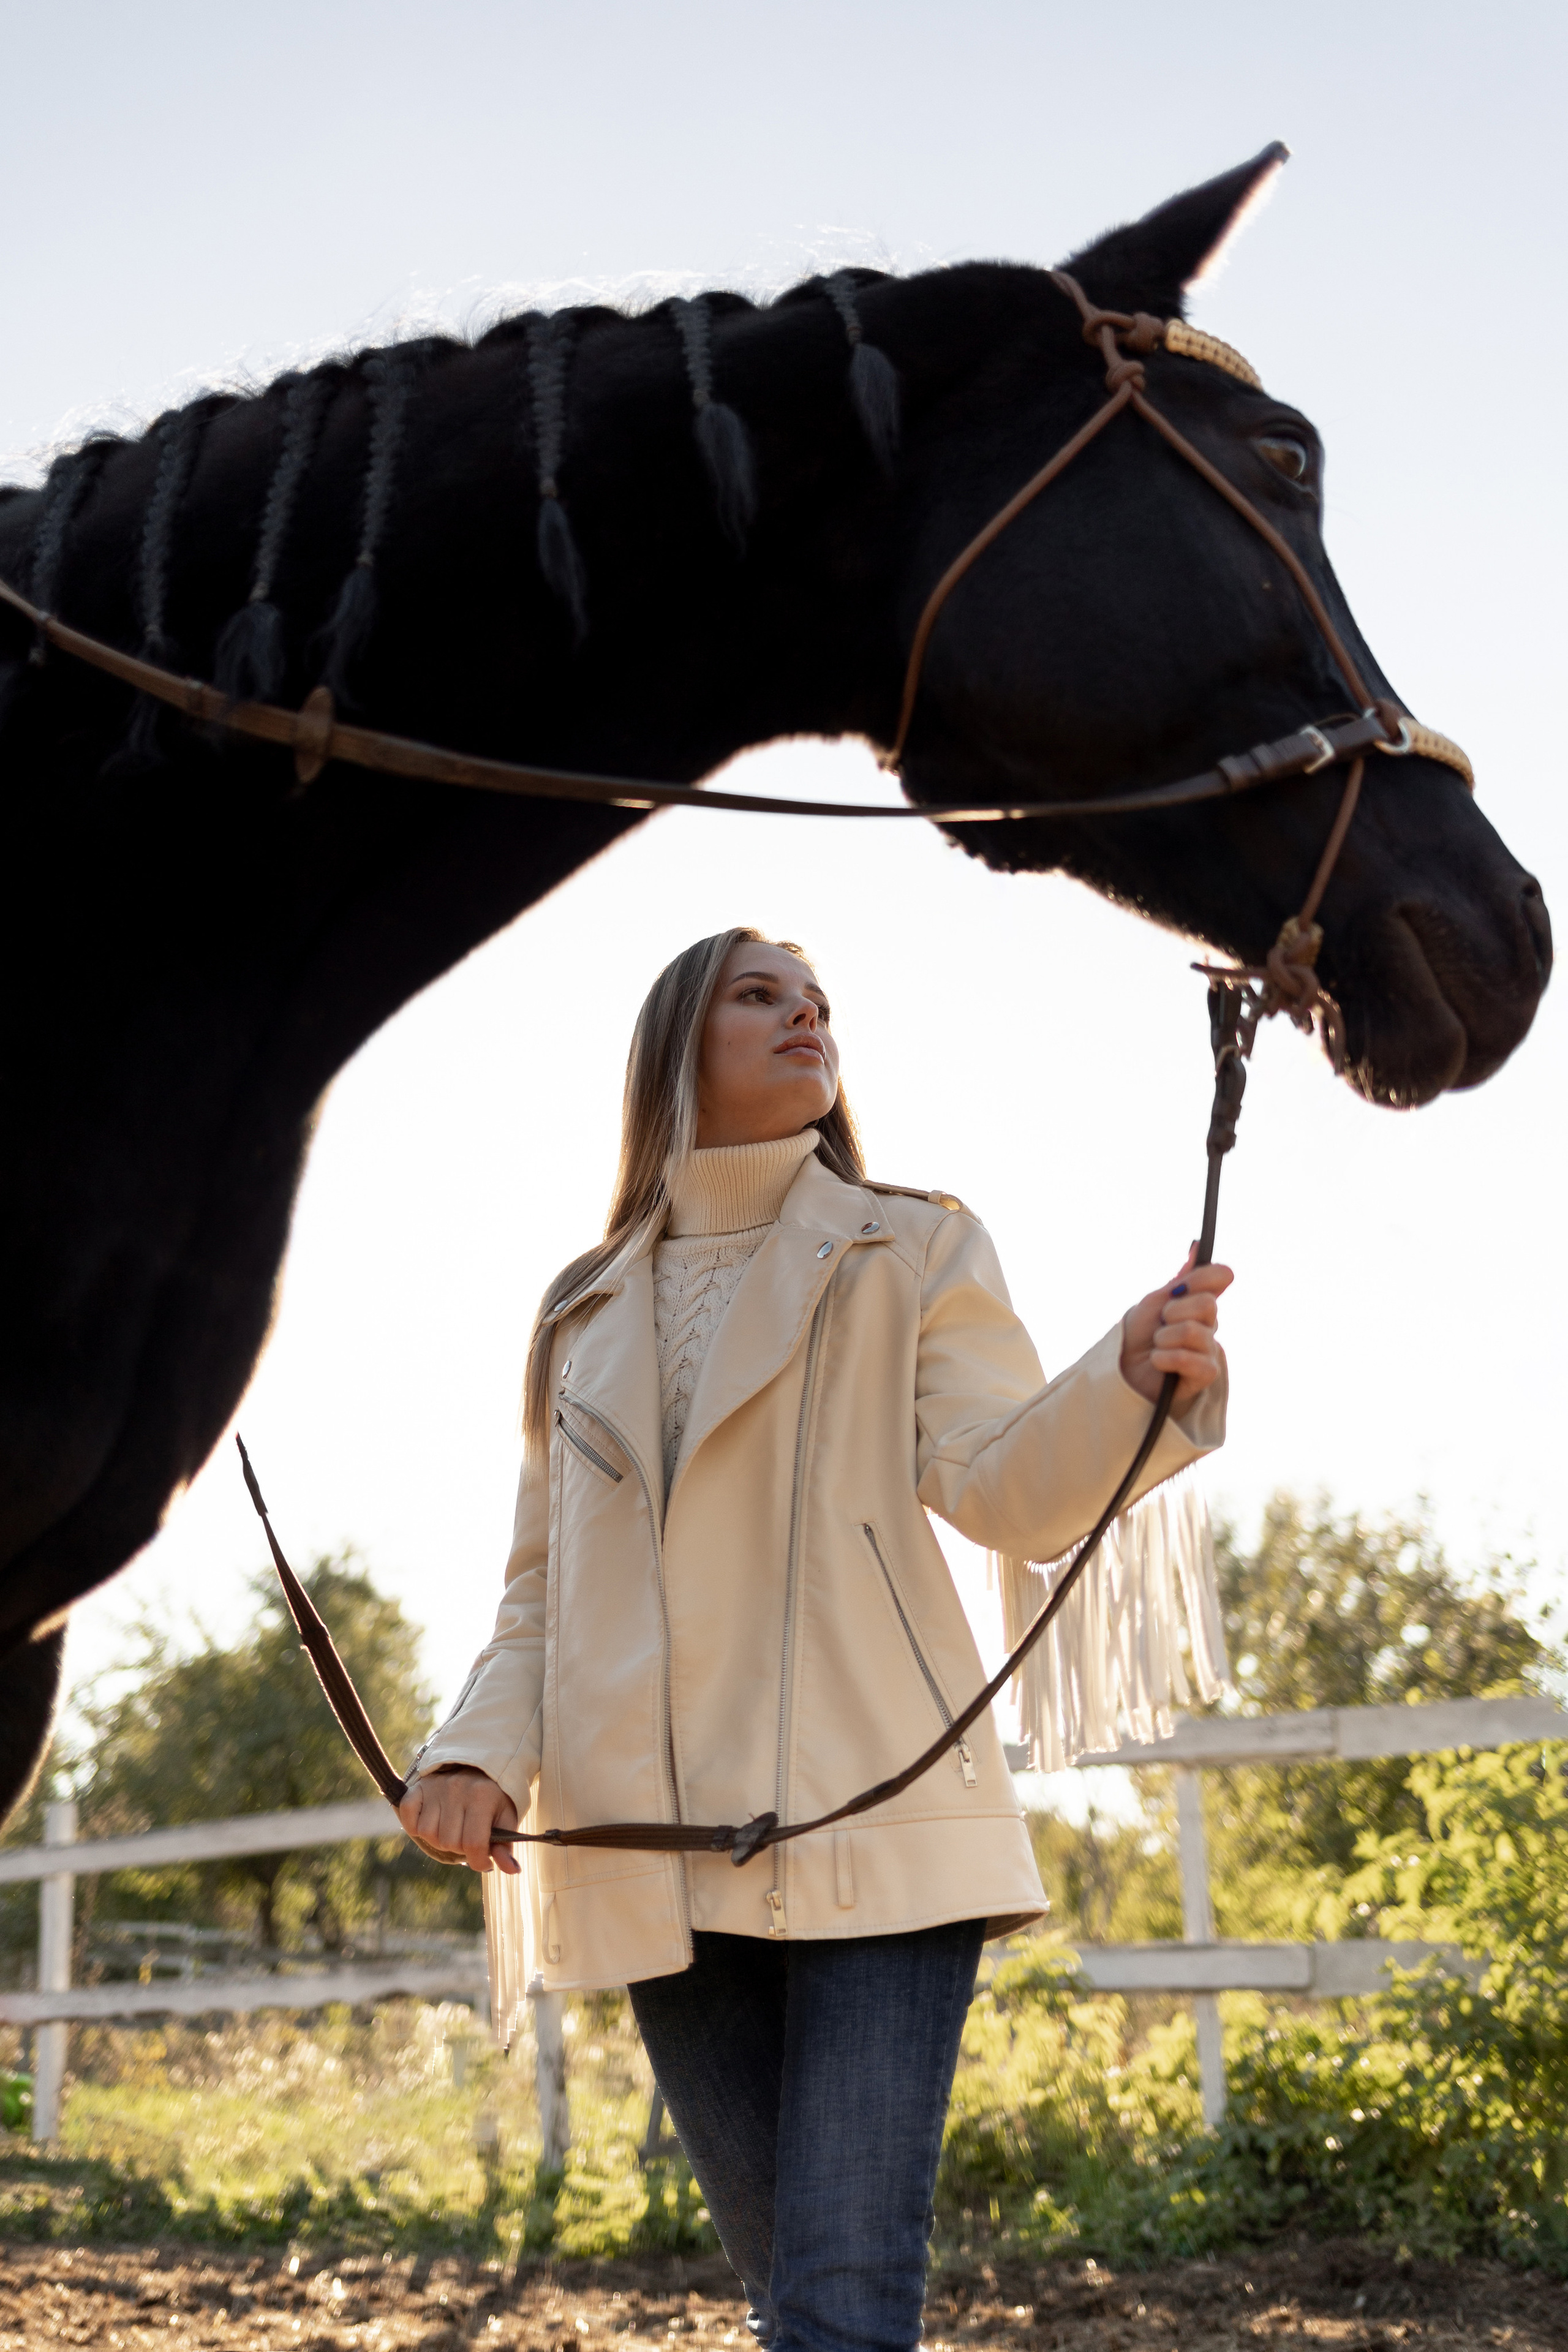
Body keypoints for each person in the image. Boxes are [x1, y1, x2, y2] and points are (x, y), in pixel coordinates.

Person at [399, 925, 1229, 2352]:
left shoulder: (911, 1243)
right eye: (761, 994)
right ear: (675, 1044)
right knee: (804, 2305)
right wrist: (475, 1750)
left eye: (819, 1003)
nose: (806, 1018)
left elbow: (1003, 1483)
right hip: (651, 1857)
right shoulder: (576, 1311)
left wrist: (1128, 1375)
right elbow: (542, 1585)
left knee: (839, 2306)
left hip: (877, 1832)